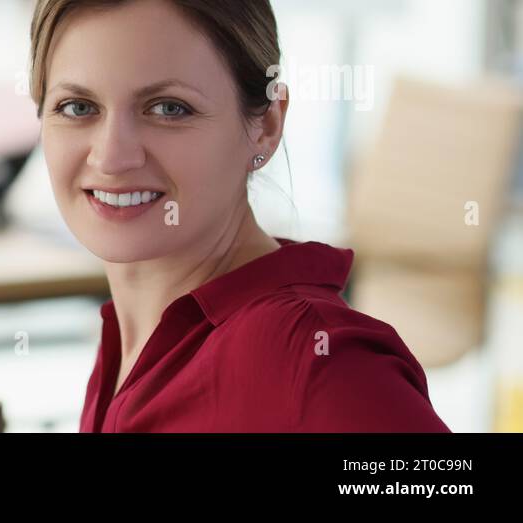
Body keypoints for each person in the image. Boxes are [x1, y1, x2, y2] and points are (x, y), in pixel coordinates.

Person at [29, 0, 450, 432]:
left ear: (265, 125)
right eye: (78, 107)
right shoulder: (131, 341)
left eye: (169, 108)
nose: (112, 157)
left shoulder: (321, 365)